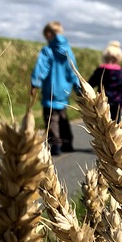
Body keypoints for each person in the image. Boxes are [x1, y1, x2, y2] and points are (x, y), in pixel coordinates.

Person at [30, 21, 81, 156]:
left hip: (50, 92)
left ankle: (56, 144)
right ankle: (67, 143)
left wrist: (35, 83)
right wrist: (79, 88)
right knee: (63, 118)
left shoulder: (48, 51)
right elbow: (73, 71)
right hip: (64, 92)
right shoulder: (68, 51)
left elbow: (42, 69)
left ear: (48, 34)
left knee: (51, 119)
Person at [88, 40, 122, 121]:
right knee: (115, 125)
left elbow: (89, 85)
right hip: (117, 104)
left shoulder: (100, 70)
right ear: (119, 58)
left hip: (102, 103)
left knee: (101, 125)